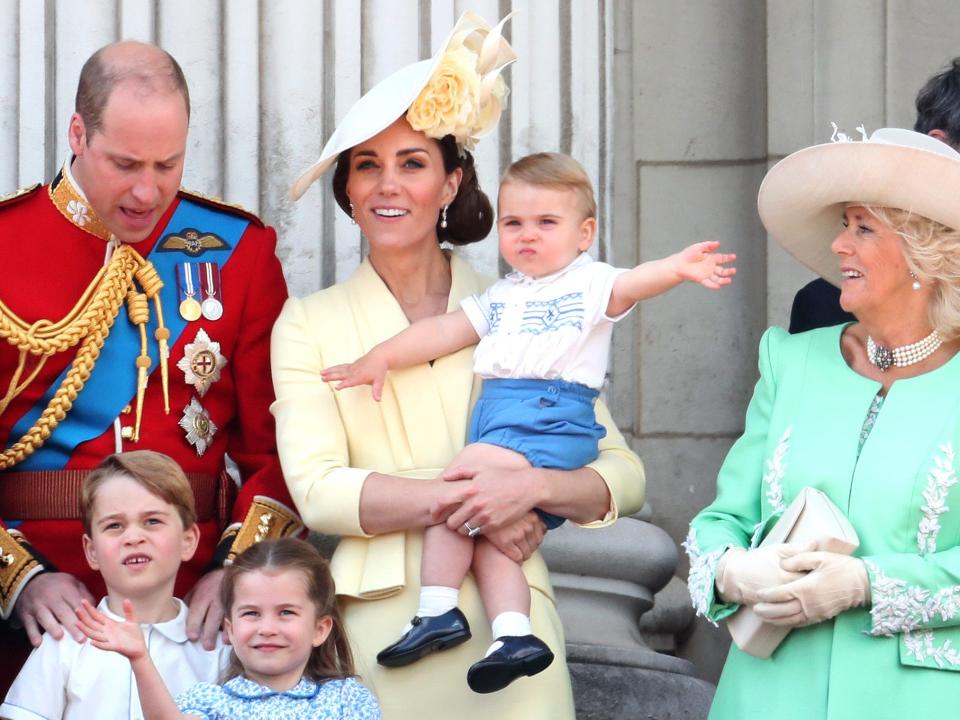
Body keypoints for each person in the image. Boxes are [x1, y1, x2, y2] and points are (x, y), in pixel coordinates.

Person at [272, 11, 645, 719]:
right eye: (367, 166)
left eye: (412, 163)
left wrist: (533, 487)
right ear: (347, 191)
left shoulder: (531, 302)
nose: (389, 186)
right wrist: (481, 502)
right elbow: (319, 493)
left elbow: (621, 476)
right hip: (383, 621)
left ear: (451, 183)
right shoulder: (307, 323)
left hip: (516, 631)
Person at [321, 151, 734, 692]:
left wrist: (677, 269)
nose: (527, 236)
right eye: (514, 223)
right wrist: (380, 357)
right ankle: (514, 634)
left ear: (584, 234)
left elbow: (633, 284)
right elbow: (443, 333)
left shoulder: (588, 284)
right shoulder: (504, 295)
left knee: (463, 479)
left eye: (547, 223)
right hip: (508, 418)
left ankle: (438, 607)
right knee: (490, 535)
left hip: (547, 415)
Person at [0, 41, 302, 690]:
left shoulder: (239, 252)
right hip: (34, 608)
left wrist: (238, 571)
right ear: (78, 134)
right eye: (125, 163)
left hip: (195, 606)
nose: (147, 191)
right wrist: (15, 578)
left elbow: (281, 448)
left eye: (168, 164)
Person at [685, 127, 960, 718]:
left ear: (925, 251)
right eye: (844, 225)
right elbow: (722, 519)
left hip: (922, 699)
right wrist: (735, 571)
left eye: (863, 228)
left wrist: (866, 584)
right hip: (767, 695)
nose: (839, 246)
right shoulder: (789, 361)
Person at [1, 451, 232, 719]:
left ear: (188, 540)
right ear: (91, 551)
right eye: (114, 525)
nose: (133, 537)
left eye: (152, 521)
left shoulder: (218, 648)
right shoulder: (65, 643)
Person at [75, 537, 381, 719]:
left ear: (320, 628)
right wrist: (140, 660)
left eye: (286, 612)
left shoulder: (347, 699)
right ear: (230, 629)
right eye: (251, 613)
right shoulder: (210, 702)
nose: (267, 628)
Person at [789, 56, 960, 333]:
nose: (840, 245)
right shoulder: (823, 309)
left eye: (864, 227)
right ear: (939, 145)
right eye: (856, 225)